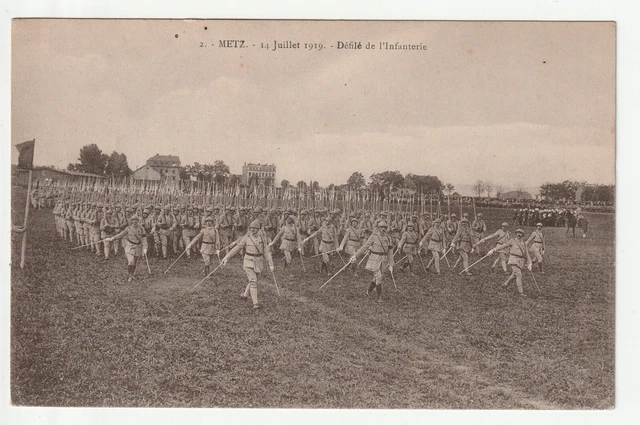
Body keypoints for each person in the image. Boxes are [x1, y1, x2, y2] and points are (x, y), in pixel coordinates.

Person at [221, 219, 274, 310]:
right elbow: (237, 248)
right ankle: (255, 303)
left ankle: (245, 295)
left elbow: (266, 251)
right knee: (253, 281)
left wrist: (270, 263)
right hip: (248, 261)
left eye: (254, 228)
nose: (252, 230)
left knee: (254, 279)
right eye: (251, 228)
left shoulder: (262, 238)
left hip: (259, 261)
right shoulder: (247, 237)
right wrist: (227, 257)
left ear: (258, 229)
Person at [349, 220, 395, 302]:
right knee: (379, 277)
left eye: (385, 227)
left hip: (383, 260)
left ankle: (368, 291)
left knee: (376, 277)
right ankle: (379, 297)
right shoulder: (374, 236)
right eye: (381, 227)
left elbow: (390, 251)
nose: (383, 229)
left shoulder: (388, 238)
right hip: (375, 259)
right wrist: (355, 255)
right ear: (378, 228)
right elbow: (365, 246)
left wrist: (391, 264)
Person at [489, 228, 532, 297]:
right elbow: (503, 246)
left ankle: (505, 284)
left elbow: (527, 254)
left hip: (521, 261)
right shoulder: (512, 241)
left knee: (514, 275)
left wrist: (530, 263)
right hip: (513, 260)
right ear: (516, 234)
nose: (519, 234)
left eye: (521, 234)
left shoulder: (524, 243)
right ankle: (521, 293)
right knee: (519, 275)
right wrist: (494, 249)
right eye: (518, 233)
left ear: (522, 235)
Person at [106, 215, 148, 283]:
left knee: (134, 262)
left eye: (136, 220)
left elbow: (144, 238)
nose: (135, 222)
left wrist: (145, 247)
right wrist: (112, 238)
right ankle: (130, 275)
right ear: (131, 221)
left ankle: (132, 274)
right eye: (133, 220)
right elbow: (121, 235)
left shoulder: (141, 228)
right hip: (130, 246)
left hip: (138, 247)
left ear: (138, 221)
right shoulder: (128, 228)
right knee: (130, 261)